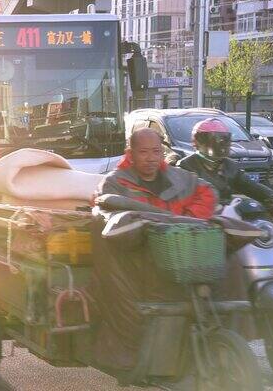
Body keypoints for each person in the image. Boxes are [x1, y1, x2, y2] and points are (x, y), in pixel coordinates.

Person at [88, 127, 217, 374]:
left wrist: (188, 219)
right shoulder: (114, 183)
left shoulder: (179, 177)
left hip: (178, 253)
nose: (151, 158)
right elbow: (109, 217)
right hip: (138, 259)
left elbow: (208, 193)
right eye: (144, 152)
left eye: (156, 151)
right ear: (131, 153)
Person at [177, 118, 273, 206]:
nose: (220, 144)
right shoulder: (186, 166)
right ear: (199, 141)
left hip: (227, 216)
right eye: (214, 139)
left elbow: (250, 186)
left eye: (224, 140)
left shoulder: (230, 166)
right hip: (198, 218)